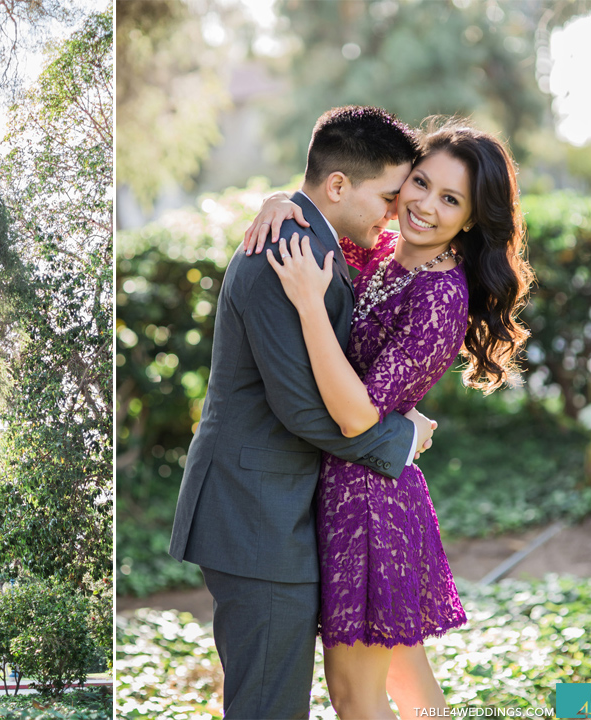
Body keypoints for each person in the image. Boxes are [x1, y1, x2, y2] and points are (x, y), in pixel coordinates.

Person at [244, 117, 532, 718]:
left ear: (472, 219)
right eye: (420, 183)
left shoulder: (440, 296)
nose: (424, 205)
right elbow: (330, 197)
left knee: (356, 696)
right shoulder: (377, 250)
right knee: (410, 681)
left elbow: (356, 416)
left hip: (369, 505)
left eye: (450, 200)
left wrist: (308, 306)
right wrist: (279, 201)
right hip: (347, 490)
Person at [169, 106, 437, 719]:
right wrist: (399, 436)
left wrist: (279, 197)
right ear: (338, 186)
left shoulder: (313, 239)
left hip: (274, 509)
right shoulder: (283, 253)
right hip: (254, 514)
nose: (395, 213)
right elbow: (302, 410)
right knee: (268, 705)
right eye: (389, 197)